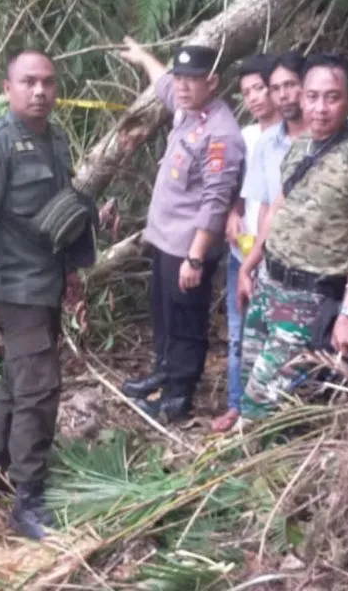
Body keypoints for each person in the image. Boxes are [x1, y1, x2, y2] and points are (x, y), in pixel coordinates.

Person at [0, 50, 97, 539]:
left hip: (46, 281)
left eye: (47, 83)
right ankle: (28, 500)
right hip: (14, 288)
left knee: (17, 382)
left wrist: (72, 275)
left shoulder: (55, 140)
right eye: (28, 82)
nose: (39, 91)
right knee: (39, 389)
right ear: (7, 88)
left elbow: (61, 214)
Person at [236, 52, 348, 420]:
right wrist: (250, 264)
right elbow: (279, 207)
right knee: (251, 390)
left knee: (262, 406)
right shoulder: (301, 144)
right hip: (269, 286)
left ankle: (251, 464)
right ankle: (267, 465)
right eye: (312, 96)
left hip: (310, 299)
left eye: (332, 97)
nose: (320, 107)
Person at [115, 37, 245, 423]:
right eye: (181, 77)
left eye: (194, 79)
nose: (183, 86)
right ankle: (164, 371)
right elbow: (163, 84)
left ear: (214, 82)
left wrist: (195, 257)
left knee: (186, 321)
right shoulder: (189, 110)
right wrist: (143, 58)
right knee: (164, 313)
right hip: (166, 241)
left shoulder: (221, 135)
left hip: (190, 246)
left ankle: (178, 396)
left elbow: (215, 203)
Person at [210, 53, 284, 433]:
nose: (254, 98)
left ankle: (271, 410)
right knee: (238, 332)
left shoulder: (291, 135)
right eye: (247, 92)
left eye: (260, 88)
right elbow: (236, 189)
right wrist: (232, 213)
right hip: (242, 250)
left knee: (273, 333)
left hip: (277, 256)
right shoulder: (245, 137)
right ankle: (237, 404)